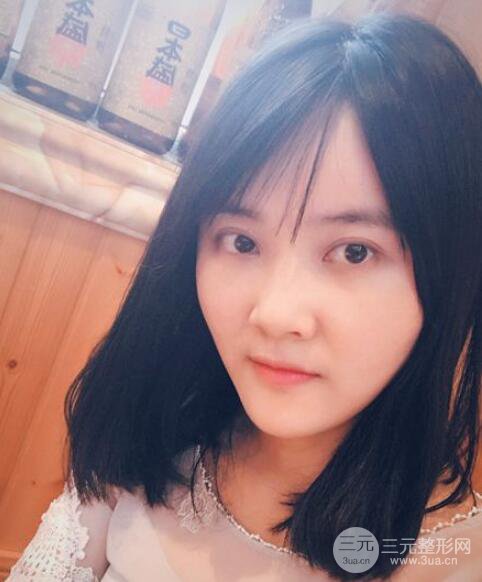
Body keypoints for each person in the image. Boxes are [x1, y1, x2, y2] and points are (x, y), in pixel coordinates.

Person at [7, 11, 482, 582]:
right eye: (241, 241)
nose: (275, 314)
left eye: (355, 251)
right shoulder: (151, 443)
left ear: (453, 269)